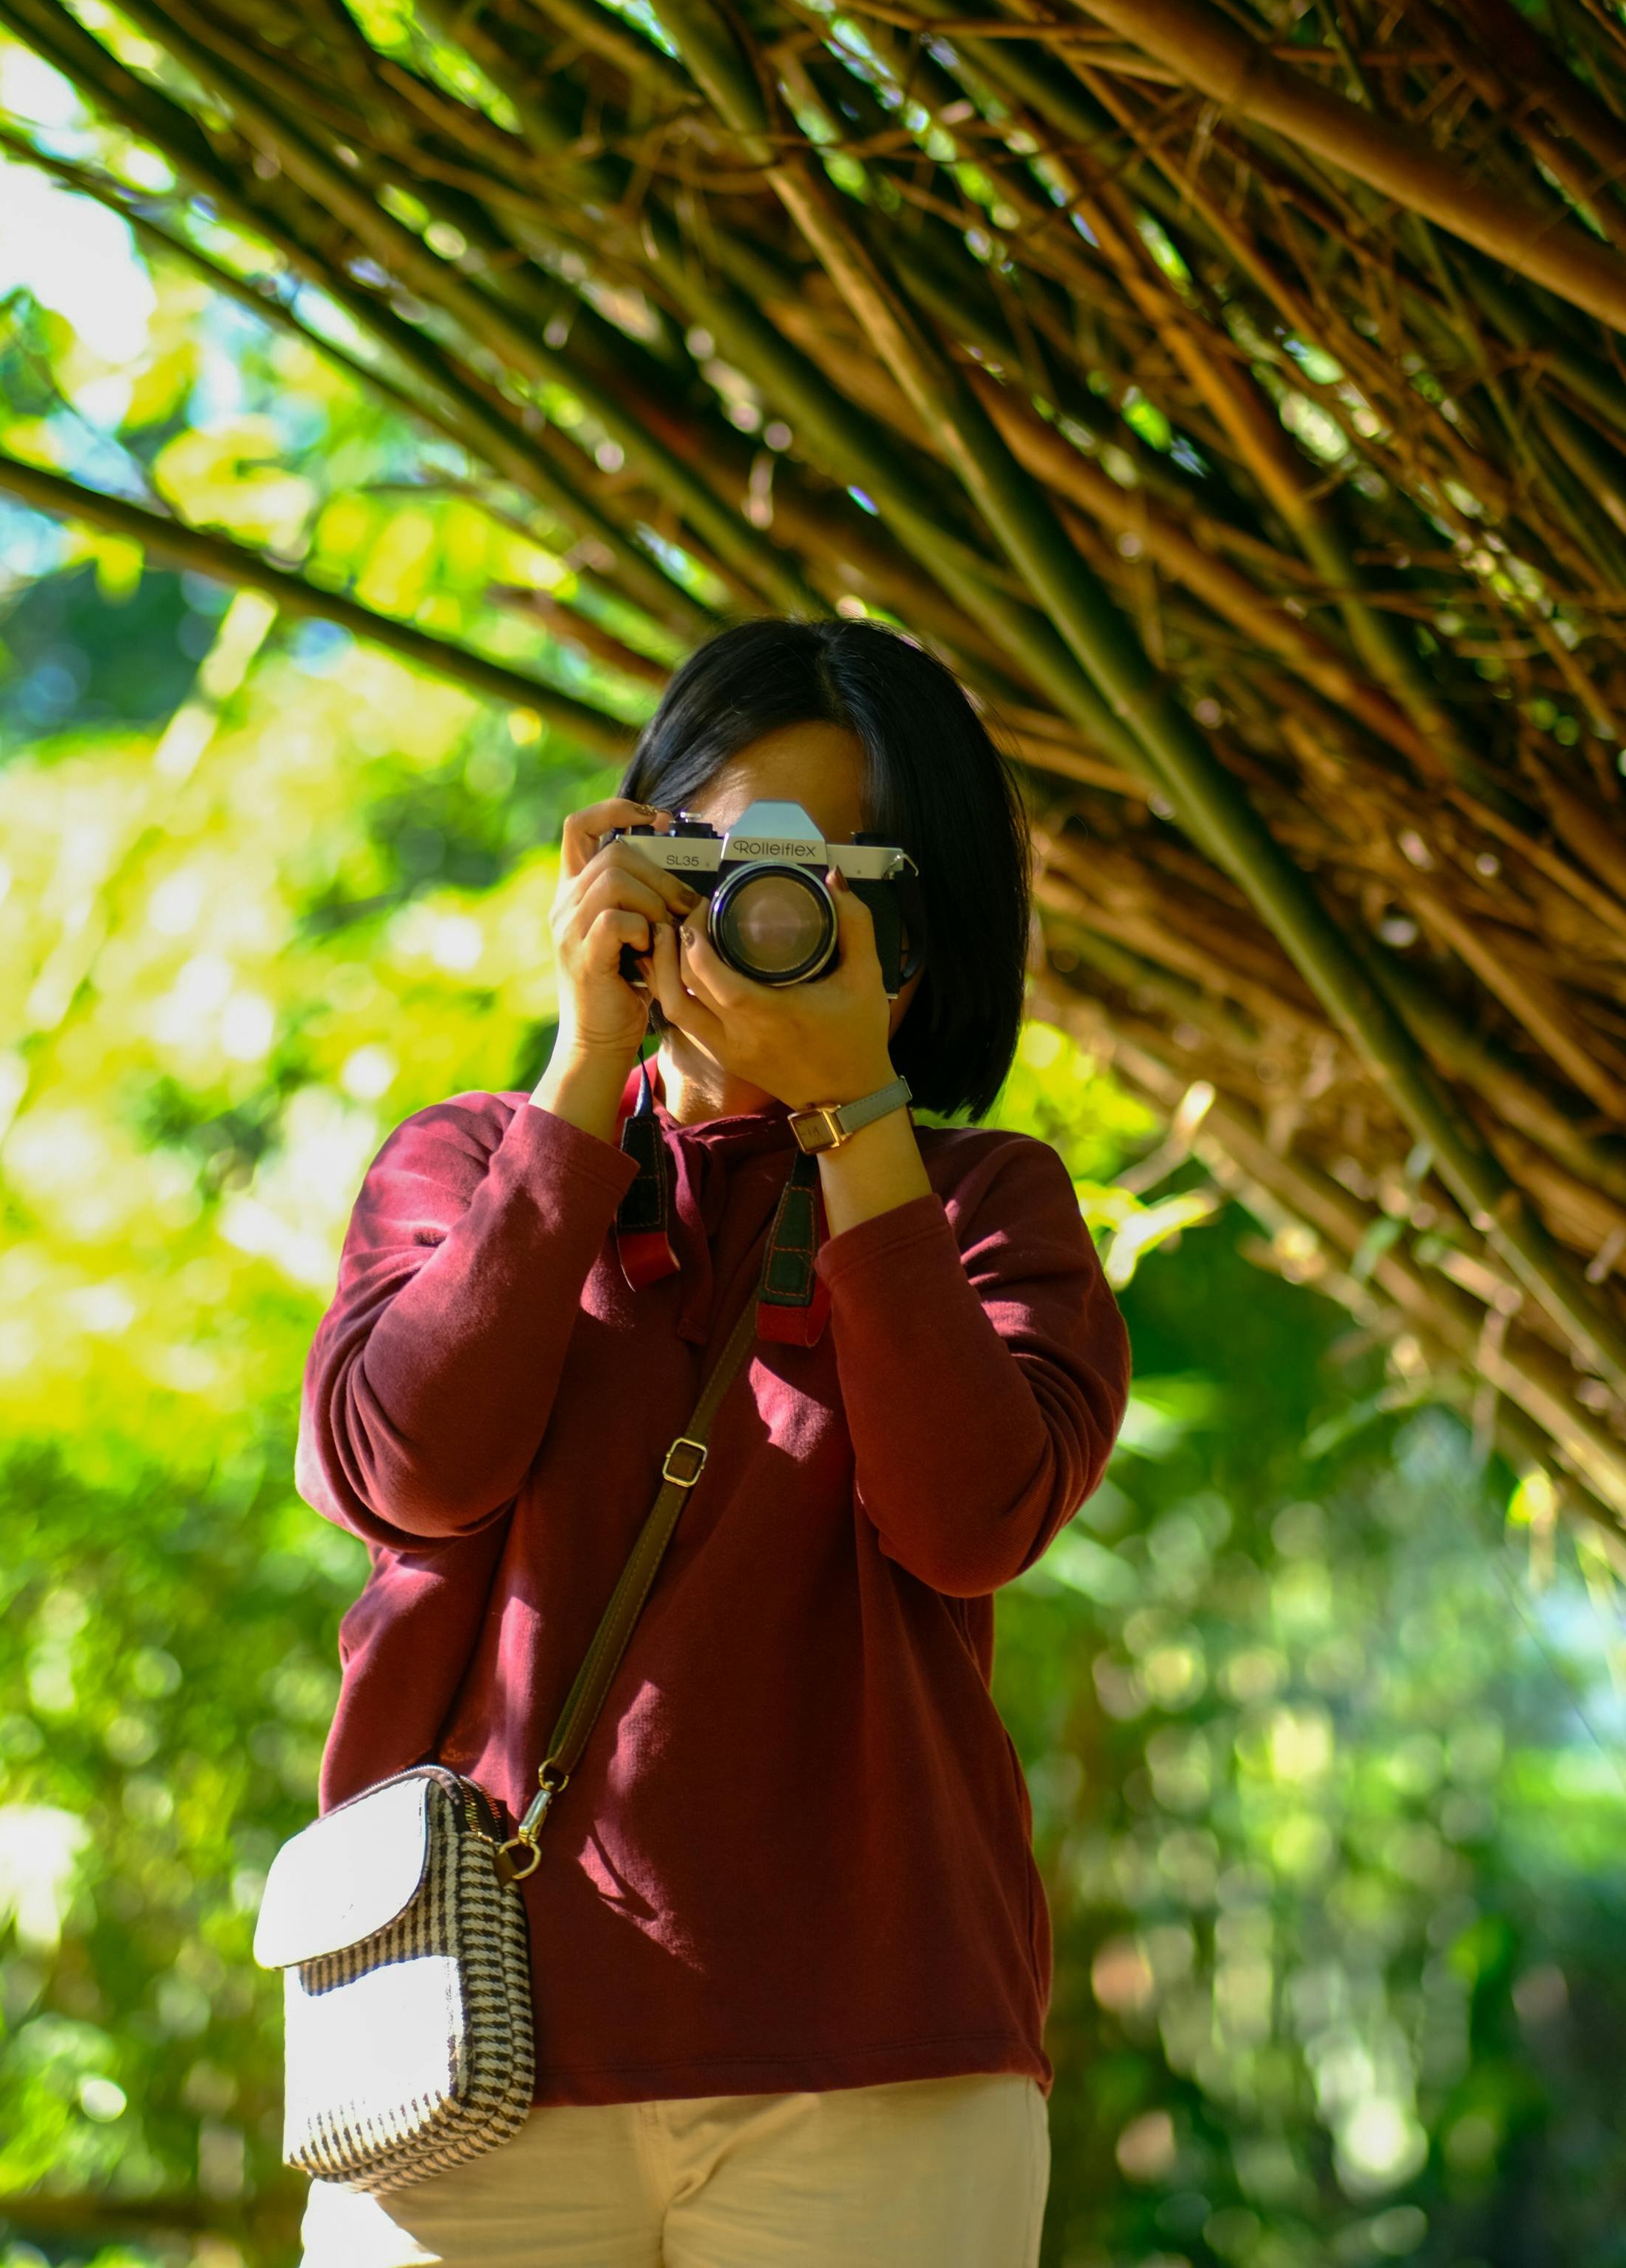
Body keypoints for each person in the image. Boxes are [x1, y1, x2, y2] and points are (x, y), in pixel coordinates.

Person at [296, 618, 1131, 2268]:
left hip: (883, 2067)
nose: (766, 912)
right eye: (725, 854)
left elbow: (968, 1519)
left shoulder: (985, 1206)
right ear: (629, 864)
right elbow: (406, 1466)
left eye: (827, 873)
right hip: (462, 2042)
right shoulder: (469, 1163)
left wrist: (859, 1132)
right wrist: (579, 1082)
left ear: (922, 923)